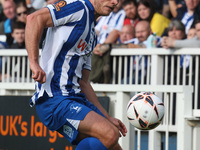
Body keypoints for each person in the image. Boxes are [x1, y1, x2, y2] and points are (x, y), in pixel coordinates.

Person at [25, 0, 127, 150]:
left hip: (74, 98)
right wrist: (34, 62)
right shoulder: (78, 7)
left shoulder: (92, 35)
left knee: (114, 145)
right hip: (54, 98)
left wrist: (107, 116)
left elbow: (84, 82)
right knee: (110, 134)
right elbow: (34, 19)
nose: (114, 2)